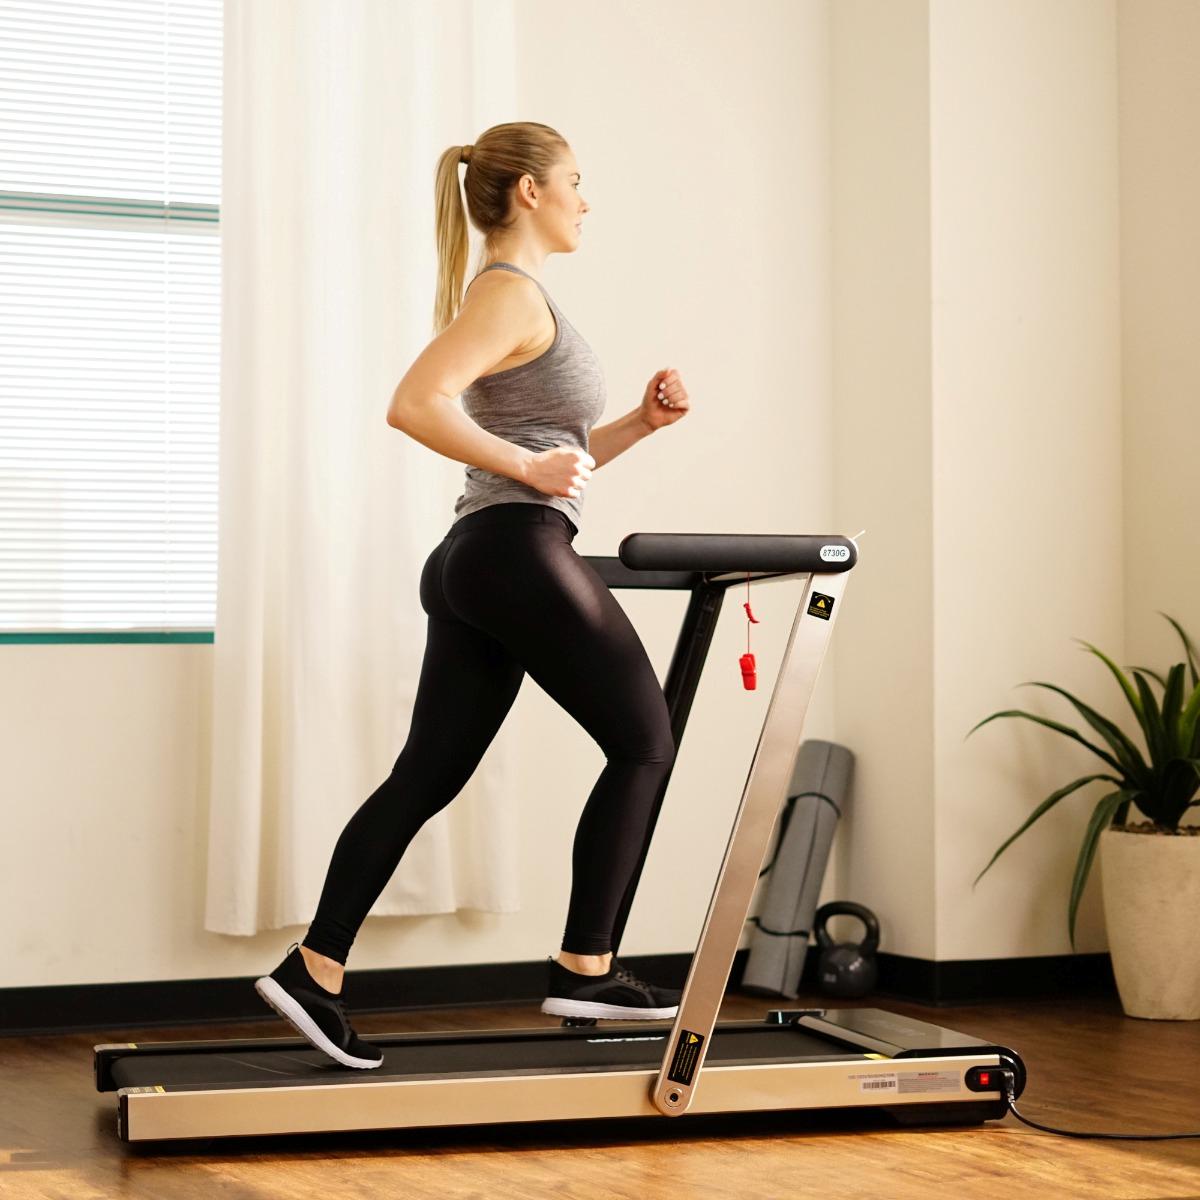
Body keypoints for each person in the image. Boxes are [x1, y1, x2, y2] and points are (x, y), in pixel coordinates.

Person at [254, 121, 693, 1069]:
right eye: (576, 180)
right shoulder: (510, 294)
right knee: (645, 739)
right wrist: (529, 469)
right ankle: (586, 969)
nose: (587, 198)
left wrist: (638, 428)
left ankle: (312, 970)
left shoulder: (510, 299)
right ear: (530, 192)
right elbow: (417, 404)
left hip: (479, 556)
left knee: (428, 773)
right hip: (510, 551)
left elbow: (552, 464)